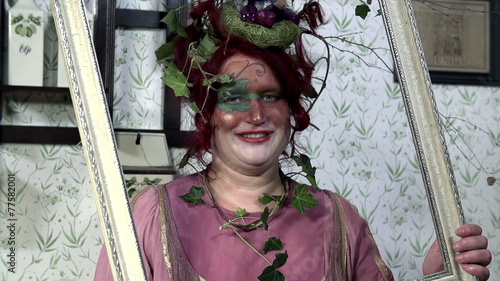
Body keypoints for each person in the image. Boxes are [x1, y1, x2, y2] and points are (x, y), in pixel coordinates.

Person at [94, 0, 491, 280]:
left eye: (270, 96)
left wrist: (440, 274)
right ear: (208, 113)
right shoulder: (150, 216)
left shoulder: (337, 220)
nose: (256, 115)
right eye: (234, 97)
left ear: (291, 111)